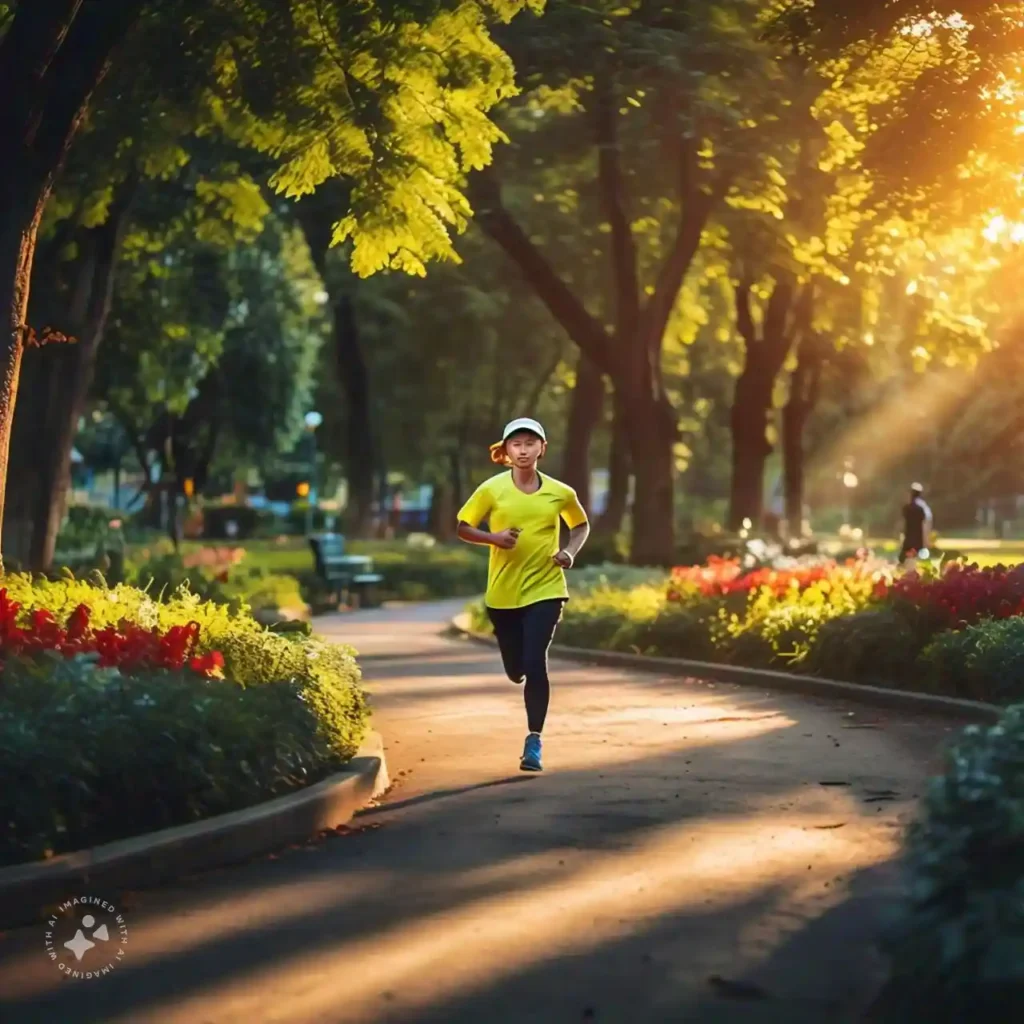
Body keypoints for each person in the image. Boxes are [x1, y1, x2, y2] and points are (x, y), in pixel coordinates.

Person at [456, 417, 590, 772]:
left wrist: (569, 551)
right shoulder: (491, 489)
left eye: (531, 443)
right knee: (516, 668)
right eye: (517, 444)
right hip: (502, 593)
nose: (524, 449)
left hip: (547, 587)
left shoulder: (561, 493)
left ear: (542, 449)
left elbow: (580, 525)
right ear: (506, 451)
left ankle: (534, 741)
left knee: (535, 661)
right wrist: (494, 539)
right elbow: (463, 526)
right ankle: (516, 669)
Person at [900, 482, 933, 564]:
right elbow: (926, 522)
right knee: (920, 559)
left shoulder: (906, 507)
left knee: (908, 559)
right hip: (919, 538)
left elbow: (903, 522)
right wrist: (926, 539)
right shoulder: (922, 508)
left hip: (908, 537)